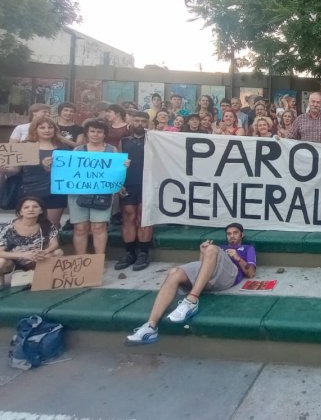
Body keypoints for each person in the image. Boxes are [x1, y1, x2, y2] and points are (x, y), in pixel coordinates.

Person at [126, 223, 256, 344]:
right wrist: (203, 253)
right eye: (229, 234)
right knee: (174, 273)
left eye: (235, 233)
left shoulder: (248, 248)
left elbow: (250, 273)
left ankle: (191, 300)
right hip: (212, 277)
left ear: (242, 235)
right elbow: (203, 268)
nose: (232, 236)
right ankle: (150, 326)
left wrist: (238, 258)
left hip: (229, 276)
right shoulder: (221, 247)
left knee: (212, 249)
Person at [69, 119, 126, 255]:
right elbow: (68, 172)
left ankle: (98, 260)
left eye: (99, 132)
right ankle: (80, 260)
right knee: (80, 227)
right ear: (87, 134)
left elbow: (116, 173)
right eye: (92, 131)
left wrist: (123, 168)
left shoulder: (112, 150)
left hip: (102, 193)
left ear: (104, 134)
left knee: (99, 226)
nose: (95, 134)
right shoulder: (78, 150)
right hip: (78, 193)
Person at [1, 117, 70, 228]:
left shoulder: (63, 148)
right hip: (30, 191)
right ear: (35, 129)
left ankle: (50, 245)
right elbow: (16, 170)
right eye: (42, 127)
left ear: (55, 129)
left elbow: (68, 172)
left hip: (55, 192)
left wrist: (50, 168)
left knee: (52, 226)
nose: (47, 130)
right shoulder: (25, 146)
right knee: (30, 225)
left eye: (50, 127)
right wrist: (4, 169)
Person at [115, 112, 153, 272]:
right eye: (137, 120)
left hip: (149, 183)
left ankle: (143, 253)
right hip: (129, 183)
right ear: (131, 121)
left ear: (148, 123)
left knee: (145, 217)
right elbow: (116, 164)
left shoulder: (155, 140)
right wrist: (118, 183)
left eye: (143, 121)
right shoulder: (122, 142)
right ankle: (129, 252)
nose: (139, 123)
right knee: (128, 216)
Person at [0, 196, 63, 287]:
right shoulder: (8, 227)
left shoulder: (46, 225)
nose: (31, 209)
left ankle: (44, 278)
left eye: (35, 207)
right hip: (14, 259)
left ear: (41, 210)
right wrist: (24, 255)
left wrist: (44, 251)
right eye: (26, 207)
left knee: (58, 252)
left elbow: (54, 244)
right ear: (20, 212)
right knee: (1, 261)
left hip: (37, 258)